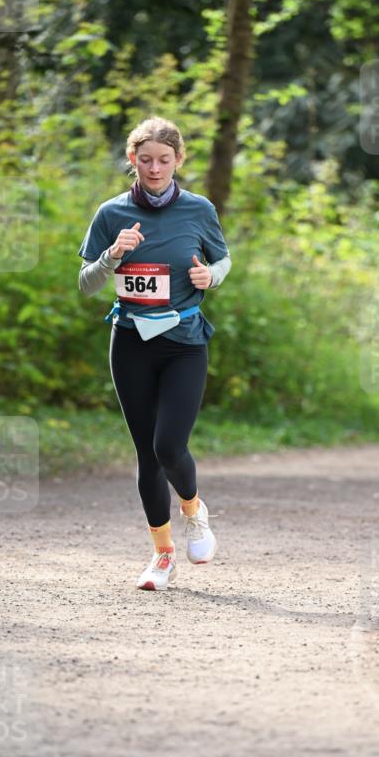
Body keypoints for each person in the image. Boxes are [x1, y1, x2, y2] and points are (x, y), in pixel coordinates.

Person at [78, 117, 232, 587]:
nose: (154, 168)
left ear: (178, 160)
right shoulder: (111, 214)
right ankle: (162, 554)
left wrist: (213, 276)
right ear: (132, 159)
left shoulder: (199, 209)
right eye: (145, 160)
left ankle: (193, 509)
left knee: (169, 445)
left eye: (164, 160)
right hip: (130, 344)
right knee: (147, 454)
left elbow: (222, 258)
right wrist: (111, 258)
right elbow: (86, 285)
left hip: (184, 345)